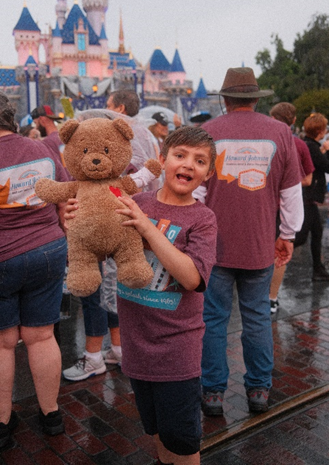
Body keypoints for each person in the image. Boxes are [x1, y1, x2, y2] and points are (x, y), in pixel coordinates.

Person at [65, 126, 218, 465]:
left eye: (200, 161)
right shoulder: (136, 201)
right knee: (157, 433)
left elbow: (193, 278)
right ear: (162, 160)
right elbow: (101, 245)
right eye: (180, 155)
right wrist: (73, 222)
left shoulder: (203, 219)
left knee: (182, 442)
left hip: (177, 352)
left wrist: (147, 227)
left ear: (209, 172)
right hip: (136, 349)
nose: (189, 165)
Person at [200, 67, 304, 416]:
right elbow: (291, 192)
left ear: (224, 99)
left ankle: (213, 392)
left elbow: (195, 192)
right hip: (260, 244)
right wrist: (287, 234)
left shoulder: (207, 132)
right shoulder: (279, 132)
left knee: (213, 319)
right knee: (257, 317)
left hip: (214, 246)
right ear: (257, 99)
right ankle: (259, 389)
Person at [62, 108, 161, 381]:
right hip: (105, 237)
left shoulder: (119, 166)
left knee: (96, 298)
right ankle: (118, 350)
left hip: (116, 237)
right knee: (108, 295)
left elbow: (130, 191)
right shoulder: (116, 161)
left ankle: (94, 357)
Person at [0, 93, 68, 448]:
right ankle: (51, 414)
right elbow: (65, 197)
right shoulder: (41, 150)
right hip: (47, 250)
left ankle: (2, 421)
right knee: (42, 337)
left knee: (3, 344)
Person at [268, 102, 315, 313]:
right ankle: (271, 298)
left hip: (265, 205)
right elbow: (306, 179)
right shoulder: (299, 144)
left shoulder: (265, 142)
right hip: (285, 207)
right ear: (294, 120)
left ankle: (263, 296)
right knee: (279, 252)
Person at [294, 113, 329, 281]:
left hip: (307, 197)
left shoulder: (309, 145)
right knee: (300, 237)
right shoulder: (313, 147)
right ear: (320, 131)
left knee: (316, 232)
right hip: (308, 197)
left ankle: (318, 269)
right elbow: (326, 166)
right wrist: (328, 151)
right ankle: (274, 255)